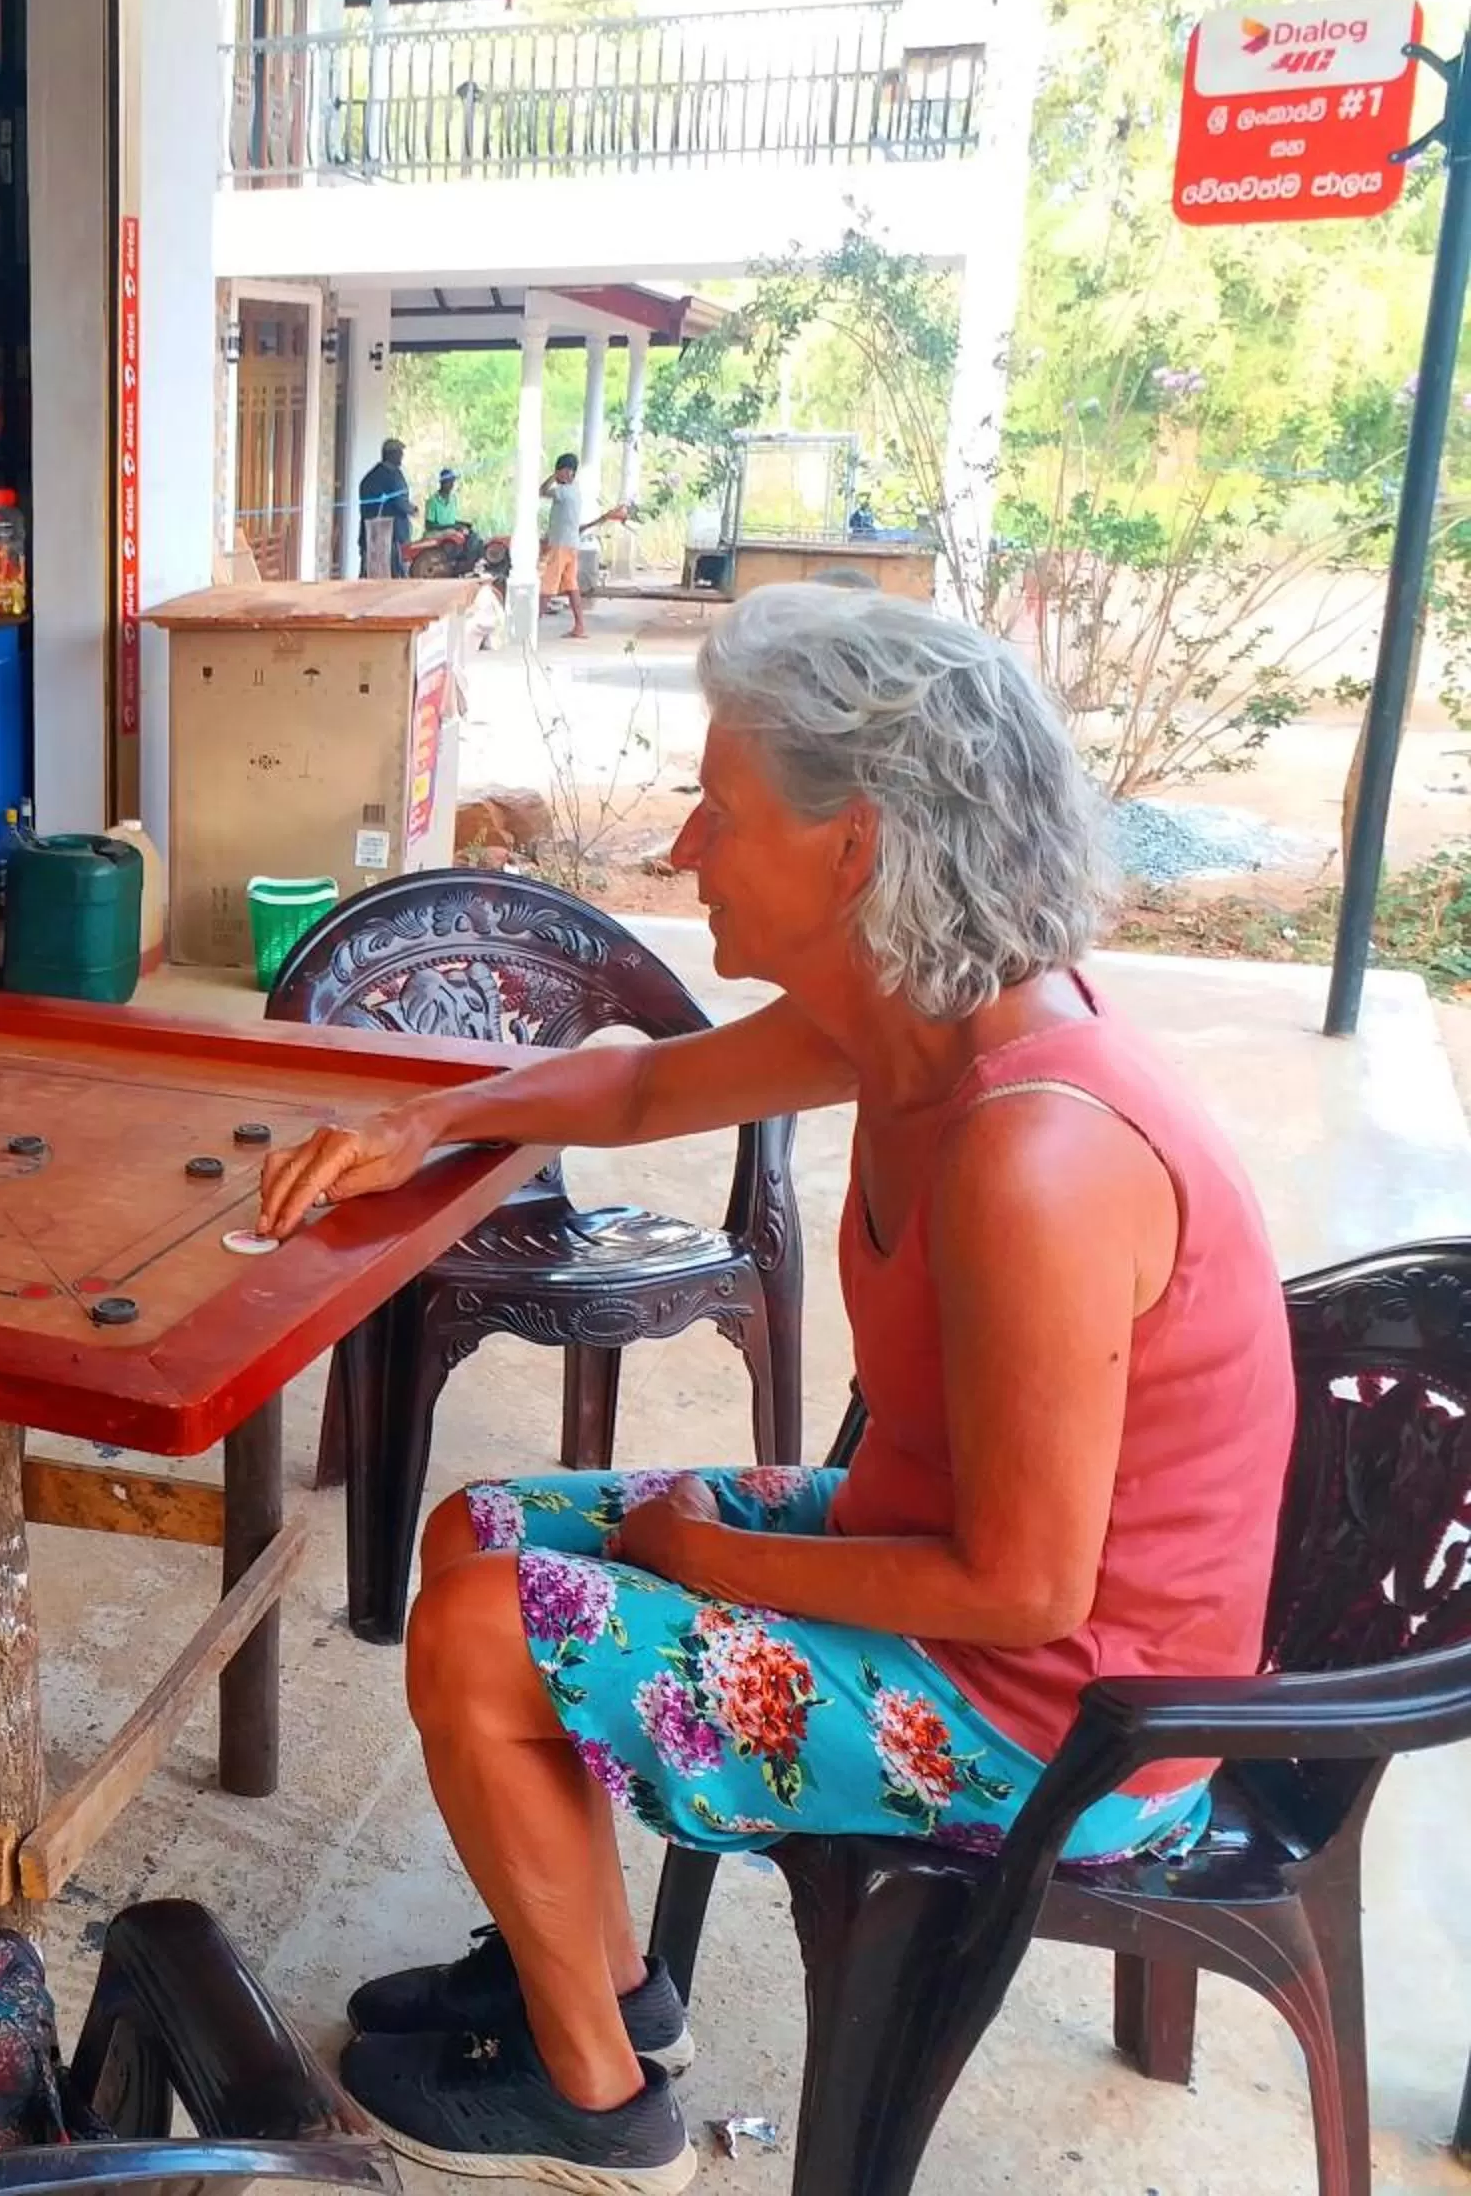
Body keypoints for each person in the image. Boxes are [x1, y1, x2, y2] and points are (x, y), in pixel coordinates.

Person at [256, 584, 1295, 2191]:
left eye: (721, 808)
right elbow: (652, 1077)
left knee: (480, 1627)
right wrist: (424, 1122)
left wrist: (713, 1556)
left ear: (855, 844)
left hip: (1064, 1725)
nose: (683, 844)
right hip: (947, 1584)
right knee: (478, 1528)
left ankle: (597, 2104)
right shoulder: (912, 1026)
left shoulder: (1038, 1150)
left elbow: (1024, 1587)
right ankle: (590, 1985)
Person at [539, 453, 629, 640]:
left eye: (561, 471)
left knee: (547, 586)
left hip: (561, 545)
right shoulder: (575, 492)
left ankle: (530, 625)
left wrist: (553, 477)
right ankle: (579, 626)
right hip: (571, 544)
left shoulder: (562, 492)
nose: (559, 475)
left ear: (569, 472)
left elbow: (541, 490)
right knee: (572, 588)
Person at [358, 439, 416, 577]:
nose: (402, 456)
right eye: (399, 453)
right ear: (390, 454)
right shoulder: (392, 476)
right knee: (393, 575)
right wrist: (412, 509)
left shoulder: (369, 477)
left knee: (371, 574)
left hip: (370, 534)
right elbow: (400, 502)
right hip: (392, 536)